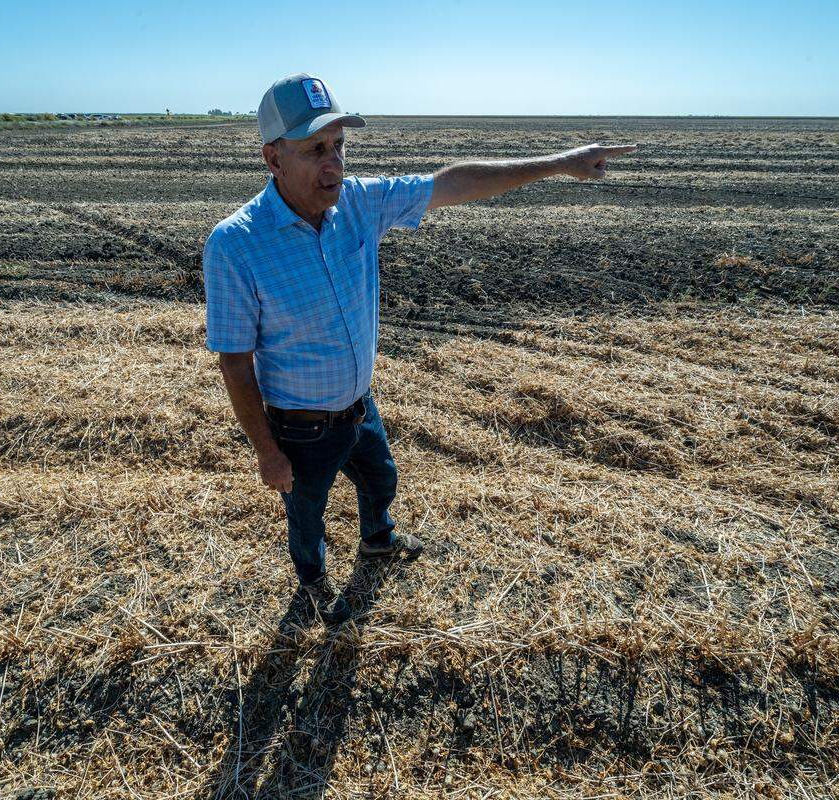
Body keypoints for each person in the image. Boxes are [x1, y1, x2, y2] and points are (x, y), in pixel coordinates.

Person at [203, 73, 636, 625]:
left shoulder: (359, 204)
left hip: (361, 405)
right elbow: (235, 363)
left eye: (338, 145)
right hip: (300, 425)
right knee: (306, 514)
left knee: (382, 479)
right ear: (273, 157)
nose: (333, 163)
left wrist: (559, 163)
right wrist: (267, 451)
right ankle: (311, 582)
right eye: (315, 150)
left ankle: (377, 540)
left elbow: (450, 183)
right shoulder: (236, 244)